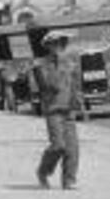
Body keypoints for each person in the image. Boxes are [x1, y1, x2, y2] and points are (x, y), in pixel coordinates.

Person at [35, 30, 83, 190]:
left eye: (61, 43)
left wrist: (78, 103)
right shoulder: (43, 65)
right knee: (58, 146)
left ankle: (69, 180)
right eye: (55, 44)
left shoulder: (70, 62)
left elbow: (75, 85)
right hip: (53, 110)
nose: (59, 47)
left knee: (73, 148)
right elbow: (51, 85)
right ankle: (43, 171)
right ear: (48, 46)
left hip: (68, 110)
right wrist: (60, 66)